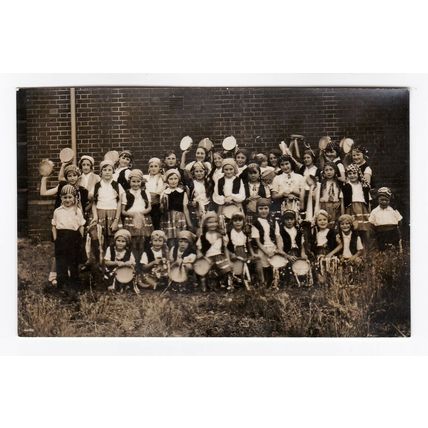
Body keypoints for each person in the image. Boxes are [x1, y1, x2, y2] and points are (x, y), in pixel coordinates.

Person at [51, 184, 85, 294]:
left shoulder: (77, 211)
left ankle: (75, 285)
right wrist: (56, 239)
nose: (67, 200)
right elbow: (54, 226)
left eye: (70, 197)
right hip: (61, 238)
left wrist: (81, 239)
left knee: (73, 262)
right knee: (61, 262)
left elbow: (81, 225)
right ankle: (62, 285)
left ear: (74, 198)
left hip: (74, 238)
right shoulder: (57, 211)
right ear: (61, 198)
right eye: (65, 197)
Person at [121, 169, 153, 266]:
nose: (136, 184)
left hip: (143, 219)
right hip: (131, 220)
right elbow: (123, 211)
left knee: (143, 243)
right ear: (129, 182)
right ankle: (133, 265)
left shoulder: (145, 193)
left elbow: (149, 207)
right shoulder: (125, 194)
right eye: (133, 181)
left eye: (138, 181)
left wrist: (140, 214)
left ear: (141, 182)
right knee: (132, 243)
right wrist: (134, 215)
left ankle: (141, 265)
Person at [92, 159, 125, 250]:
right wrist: (95, 217)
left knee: (113, 238)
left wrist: (116, 220)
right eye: (105, 170)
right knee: (99, 238)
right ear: (101, 172)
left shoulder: (117, 186)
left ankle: (112, 259)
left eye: (109, 170)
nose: (107, 172)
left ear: (113, 172)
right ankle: (101, 261)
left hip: (113, 214)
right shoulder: (97, 186)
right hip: (100, 213)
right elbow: (94, 203)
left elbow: (119, 203)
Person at [196, 212, 233, 291]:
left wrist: (228, 259)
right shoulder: (203, 236)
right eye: (210, 222)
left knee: (227, 269)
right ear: (205, 224)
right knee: (207, 271)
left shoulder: (221, 235)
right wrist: (203, 257)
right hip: (208, 257)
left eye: (215, 222)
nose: (213, 224)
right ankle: (208, 285)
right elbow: (199, 249)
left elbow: (225, 248)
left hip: (219, 256)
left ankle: (225, 284)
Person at [251, 198, 285, 285]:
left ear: (269, 209)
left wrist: (279, 248)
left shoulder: (273, 221)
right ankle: (263, 282)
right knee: (263, 265)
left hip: (273, 247)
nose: (263, 211)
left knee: (275, 265)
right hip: (262, 248)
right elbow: (258, 242)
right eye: (261, 209)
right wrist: (267, 252)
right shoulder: (256, 223)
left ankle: (274, 282)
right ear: (257, 210)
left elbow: (278, 236)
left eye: (266, 208)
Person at [160, 169, 192, 248]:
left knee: (180, 237)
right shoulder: (164, 193)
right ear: (167, 180)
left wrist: (189, 223)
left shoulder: (182, 193)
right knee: (169, 238)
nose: (173, 181)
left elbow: (185, 208)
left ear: (178, 179)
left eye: (175, 178)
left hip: (179, 218)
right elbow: (162, 209)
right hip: (168, 218)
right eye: (171, 179)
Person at [343, 164, 371, 248]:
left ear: (358, 174)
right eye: (350, 174)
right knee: (354, 229)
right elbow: (342, 201)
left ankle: (365, 249)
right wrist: (344, 214)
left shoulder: (363, 186)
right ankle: (355, 248)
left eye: (354, 173)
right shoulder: (346, 186)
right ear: (347, 175)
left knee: (364, 229)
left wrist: (369, 212)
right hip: (351, 209)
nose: (352, 176)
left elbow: (368, 200)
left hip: (363, 209)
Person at [270, 155, 305, 222]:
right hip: (282, 206)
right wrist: (283, 194)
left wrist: (293, 192)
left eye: (287, 164)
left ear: (291, 163)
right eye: (282, 165)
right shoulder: (277, 178)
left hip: (296, 206)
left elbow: (303, 195)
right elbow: (274, 196)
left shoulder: (299, 177)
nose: (285, 167)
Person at [309, 210, 338, 286]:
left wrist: (331, 253)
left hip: (329, 254)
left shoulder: (331, 232)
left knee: (330, 265)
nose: (322, 222)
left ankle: (331, 281)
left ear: (328, 221)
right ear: (316, 222)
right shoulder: (316, 234)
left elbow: (340, 245)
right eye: (320, 220)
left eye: (324, 220)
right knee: (321, 278)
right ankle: (322, 280)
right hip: (319, 256)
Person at [369, 187, 403, 251]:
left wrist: (397, 228)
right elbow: (371, 223)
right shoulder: (375, 211)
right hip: (380, 232)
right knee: (382, 247)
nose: (384, 202)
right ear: (378, 200)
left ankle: (396, 252)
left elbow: (399, 220)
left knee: (395, 245)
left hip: (393, 231)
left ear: (389, 200)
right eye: (381, 200)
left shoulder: (393, 210)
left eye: (386, 200)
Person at [226, 212, 253, 289]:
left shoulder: (245, 232)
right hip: (234, 253)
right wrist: (231, 255)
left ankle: (245, 281)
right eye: (235, 220)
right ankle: (233, 283)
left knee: (245, 267)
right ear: (232, 222)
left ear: (243, 221)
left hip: (243, 252)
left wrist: (251, 254)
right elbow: (226, 247)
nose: (238, 222)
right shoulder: (229, 233)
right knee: (234, 269)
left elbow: (248, 244)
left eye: (240, 220)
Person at [187, 161, 214, 232]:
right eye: (197, 171)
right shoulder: (192, 184)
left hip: (208, 206)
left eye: (201, 171)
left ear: (205, 172)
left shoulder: (208, 182)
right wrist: (192, 203)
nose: (199, 173)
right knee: (198, 228)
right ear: (193, 173)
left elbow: (211, 196)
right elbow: (188, 198)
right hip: (196, 208)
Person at [319, 161, 344, 227]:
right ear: (324, 172)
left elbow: (341, 196)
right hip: (325, 206)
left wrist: (339, 203)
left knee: (335, 225)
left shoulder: (339, 183)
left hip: (336, 207)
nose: (329, 172)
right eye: (326, 170)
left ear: (335, 171)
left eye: (331, 170)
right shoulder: (321, 184)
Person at [144, 157, 165, 231]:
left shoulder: (162, 178)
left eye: (156, 166)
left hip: (157, 205)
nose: (153, 168)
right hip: (146, 204)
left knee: (156, 223)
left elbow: (162, 191)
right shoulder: (145, 178)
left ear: (159, 168)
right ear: (148, 168)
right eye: (151, 166)